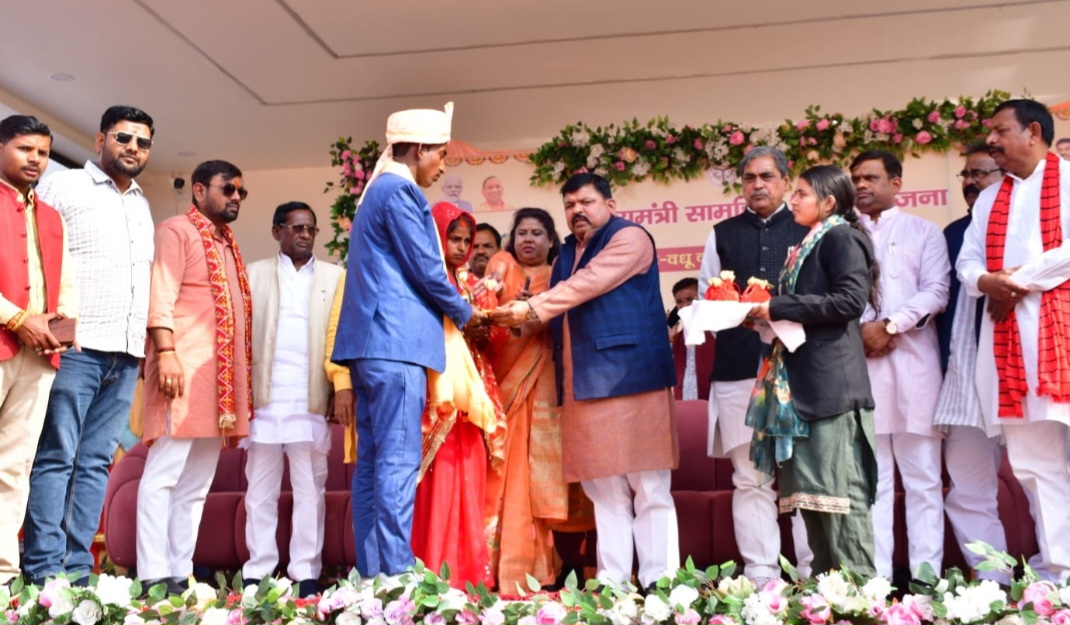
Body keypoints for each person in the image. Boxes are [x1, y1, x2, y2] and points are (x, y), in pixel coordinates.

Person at [491, 173, 678, 591]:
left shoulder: (629, 239)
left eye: (586, 202)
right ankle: (613, 584)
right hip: (582, 385)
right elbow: (557, 310)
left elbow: (588, 283)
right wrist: (507, 317)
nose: (577, 211)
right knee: (604, 491)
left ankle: (661, 583)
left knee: (649, 487)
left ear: (610, 205)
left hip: (633, 378)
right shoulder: (565, 257)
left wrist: (532, 308)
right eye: (570, 205)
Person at [331, 103, 482, 578]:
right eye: (441, 154)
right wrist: (468, 314)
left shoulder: (378, 190)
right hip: (394, 345)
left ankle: (374, 578)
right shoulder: (399, 191)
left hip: (373, 347)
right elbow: (428, 270)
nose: (443, 165)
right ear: (417, 150)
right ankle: (397, 578)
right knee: (397, 462)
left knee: (374, 466)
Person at [23, 105, 155, 585]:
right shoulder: (64, 186)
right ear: (101, 140)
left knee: (96, 461)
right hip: (77, 347)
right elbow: (35, 254)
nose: (133, 148)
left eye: (143, 142)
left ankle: (78, 570)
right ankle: (43, 570)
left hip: (126, 352)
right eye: (124, 138)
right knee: (57, 455)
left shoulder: (141, 203)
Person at [746, 164, 879, 577]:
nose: (793, 200)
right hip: (802, 386)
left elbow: (849, 302)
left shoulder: (842, 237)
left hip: (832, 386)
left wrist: (778, 307)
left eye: (802, 193)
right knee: (813, 500)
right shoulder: (810, 241)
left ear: (829, 201)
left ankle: (861, 595)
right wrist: (763, 316)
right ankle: (827, 592)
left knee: (839, 497)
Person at [958, 99, 1070, 583]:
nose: (992, 140)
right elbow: (967, 263)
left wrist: (1013, 282)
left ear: (1034, 133)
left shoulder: (1068, 181)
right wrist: (988, 283)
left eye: (1001, 130)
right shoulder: (988, 199)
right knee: (1033, 465)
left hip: (1061, 341)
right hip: (1012, 352)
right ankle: (1062, 578)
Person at [136, 160, 252, 595]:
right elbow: (160, 298)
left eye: (241, 191)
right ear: (199, 190)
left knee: (197, 484)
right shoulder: (176, 231)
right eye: (228, 189)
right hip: (180, 372)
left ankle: (177, 572)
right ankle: (152, 574)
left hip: (219, 382)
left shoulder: (227, 243)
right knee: (164, 475)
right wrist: (166, 353)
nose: (236, 197)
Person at [697, 146, 812, 582]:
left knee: (803, 474)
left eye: (766, 176)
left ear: (785, 181)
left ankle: (814, 573)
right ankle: (762, 575)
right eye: (749, 178)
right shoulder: (721, 233)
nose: (757, 185)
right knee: (749, 477)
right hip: (737, 368)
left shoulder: (806, 229)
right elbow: (708, 300)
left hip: (799, 369)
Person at [851, 150, 949, 580]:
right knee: (873, 482)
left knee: (923, 479)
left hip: (914, 368)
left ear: (896, 183)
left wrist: (889, 325)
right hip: (860, 368)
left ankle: (926, 582)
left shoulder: (924, 232)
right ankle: (877, 583)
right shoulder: (841, 235)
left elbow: (936, 291)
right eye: (856, 178)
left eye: (871, 177)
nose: (861, 185)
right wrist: (861, 330)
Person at [242, 201, 346, 598]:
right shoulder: (253, 273)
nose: (304, 235)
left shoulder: (336, 276)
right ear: (277, 231)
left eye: (310, 229)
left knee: (310, 491)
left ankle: (306, 574)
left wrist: (338, 389)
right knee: (259, 492)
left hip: (311, 398)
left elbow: (342, 337)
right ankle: (258, 573)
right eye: (296, 228)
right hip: (265, 399)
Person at [411, 202, 505, 589]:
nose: (462, 247)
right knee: (436, 482)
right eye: (454, 238)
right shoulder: (422, 279)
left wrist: (484, 328)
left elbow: (491, 338)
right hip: (435, 394)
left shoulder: (469, 284)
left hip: (470, 398)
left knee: (469, 476)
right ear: (436, 236)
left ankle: (466, 576)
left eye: (467, 240)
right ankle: (431, 572)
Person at [0, 115, 77, 587]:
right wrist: (17, 319)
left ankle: (3, 579)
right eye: (25, 149)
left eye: (43, 153)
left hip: (38, 357)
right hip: (5, 340)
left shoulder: (51, 216)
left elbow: (65, 283)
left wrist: (61, 323)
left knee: (14, 466)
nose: (36, 159)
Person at [481, 207, 575, 590]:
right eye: (522, 233)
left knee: (532, 476)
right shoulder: (501, 264)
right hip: (502, 384)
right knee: (501, 474)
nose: (529, 240)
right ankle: (492, 566)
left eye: (538, 233)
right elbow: (484, 306)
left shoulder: (560, 275)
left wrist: (533, 309)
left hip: (543, 382)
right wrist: (507, 305)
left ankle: (533, 568)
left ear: (551, 241)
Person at [932, 143, 1008, 583]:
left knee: (1045, 479)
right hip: (964, 382)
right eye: (966, 174)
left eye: (982, 173)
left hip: (1018, 375)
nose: (972, 181)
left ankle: (1057, 581)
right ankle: (995, 582)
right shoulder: (952, 234)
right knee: (968, 488)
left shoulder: (1026, 229)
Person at [667, 278, 714, 401]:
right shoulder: (676, 338)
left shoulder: (715, 332)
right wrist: (667, 339)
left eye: (690, 299)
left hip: (712, 402)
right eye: (679, 301)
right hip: (684, 402)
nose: (685, 305)